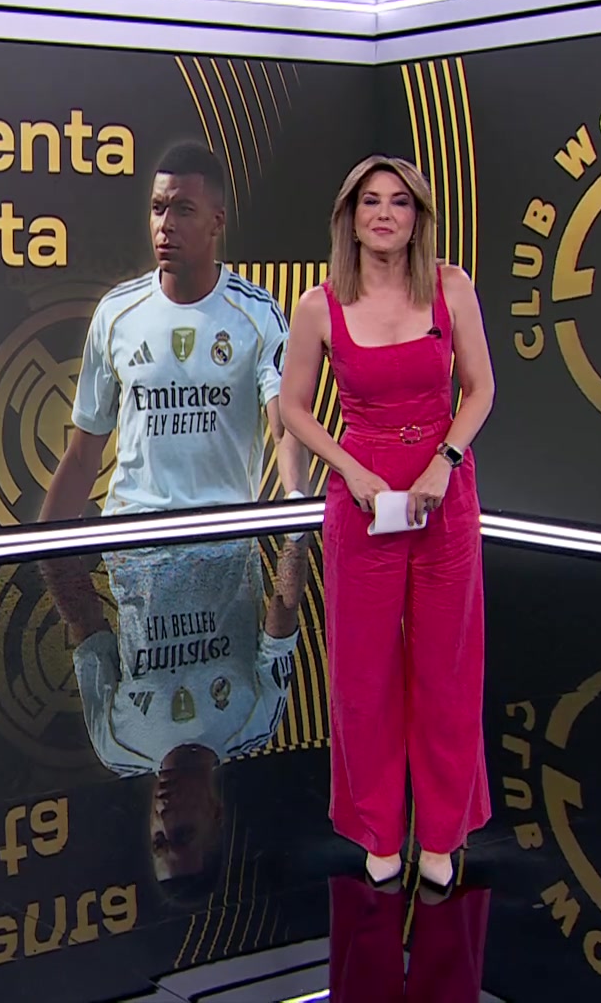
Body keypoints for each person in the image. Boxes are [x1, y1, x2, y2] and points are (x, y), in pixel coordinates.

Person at [277, 155, 496, 891]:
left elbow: (480, 389)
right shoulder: (318, 305)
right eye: (370, 202)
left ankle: (441, 834)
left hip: (443, 493)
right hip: (362, 496)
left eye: (399, 202)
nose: (384, 214)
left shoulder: (452, 287)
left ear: (417, 217)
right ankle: (377, 829)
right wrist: (352, 469)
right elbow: (294, 408)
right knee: (364, 672)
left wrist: (444, 461)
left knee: (446, 668)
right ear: (349, 217)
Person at [41, 142, 306, 522]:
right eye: (158, 208)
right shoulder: (116, 314)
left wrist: (296, 508)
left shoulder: (257, 314)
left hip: (224, 538)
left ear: (217, 222)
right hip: (133, 539)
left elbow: (285, 429)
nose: (166, 225)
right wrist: (42, 547)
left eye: (184, 210)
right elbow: (83, 456)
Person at [49, 535, 310, 898]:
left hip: (135, 525)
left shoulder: (115, 745)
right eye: (183, 833)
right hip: (219, 523)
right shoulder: (255, 722)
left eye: (159, 839)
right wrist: (296, 536)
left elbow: (83, 619)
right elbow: (284, 607)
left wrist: (52, 542)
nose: (165, 818)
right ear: (216, 815)